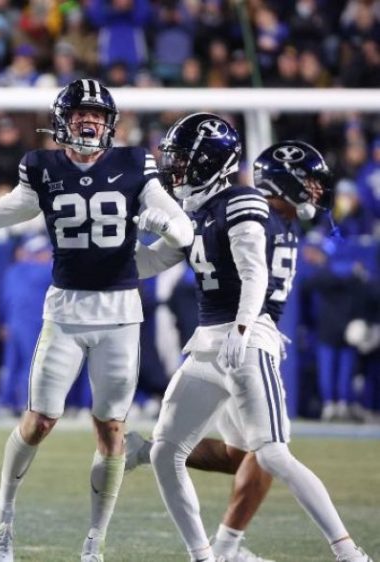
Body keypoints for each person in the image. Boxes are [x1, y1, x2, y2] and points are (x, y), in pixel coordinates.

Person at [0, 78, 193, 561]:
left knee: (111, 430)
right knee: (39, 421)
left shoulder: (135, 162)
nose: (89, 123)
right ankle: (3, 515)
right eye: (79, 115)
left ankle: (95, 541)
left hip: (120, 312)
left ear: (111, 124)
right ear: (61, 122)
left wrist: (149, 250)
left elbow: (179, 229)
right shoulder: (42, 166)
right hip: (67, 310)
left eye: (97, 116)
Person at [134, 113, 373, 562]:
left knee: (273, 454)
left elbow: (253, 273)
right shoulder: (193, 212)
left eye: (185, 160)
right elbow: (144, 265)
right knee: (167, 452)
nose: (176, 169)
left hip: (247, 336)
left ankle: (348, 553)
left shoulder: (242, 199)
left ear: (211, 162)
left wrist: (243, 328)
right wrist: (115, 235)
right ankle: (206, 555)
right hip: (207, 342)